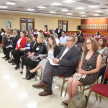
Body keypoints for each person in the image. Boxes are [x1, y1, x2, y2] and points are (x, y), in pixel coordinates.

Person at [62, 38, 102, 107]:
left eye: (89, 43)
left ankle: (75, 102)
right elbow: (81, 63)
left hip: (90, 74)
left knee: (74, 82)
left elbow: (98, 69)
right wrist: (80, 70)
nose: (87, 45)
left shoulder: (98, 55)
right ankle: (70, 98)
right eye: (86, 43)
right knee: (69, 80)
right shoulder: (84, 52)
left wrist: (86, 72)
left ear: (93, 43)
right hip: (82, 72)